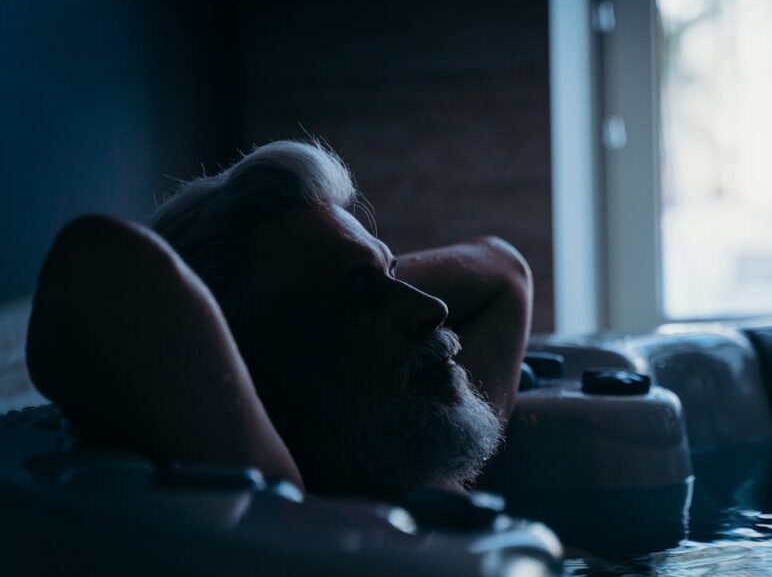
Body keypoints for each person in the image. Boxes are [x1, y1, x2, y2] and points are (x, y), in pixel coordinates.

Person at [26, 141, 533, 498]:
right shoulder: (273, 511)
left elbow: (505, 273)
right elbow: (102, 261)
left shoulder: (408, 458)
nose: (433, 307)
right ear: (254, 381)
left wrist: (359, 278)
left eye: (393, 269)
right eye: (357, 301)